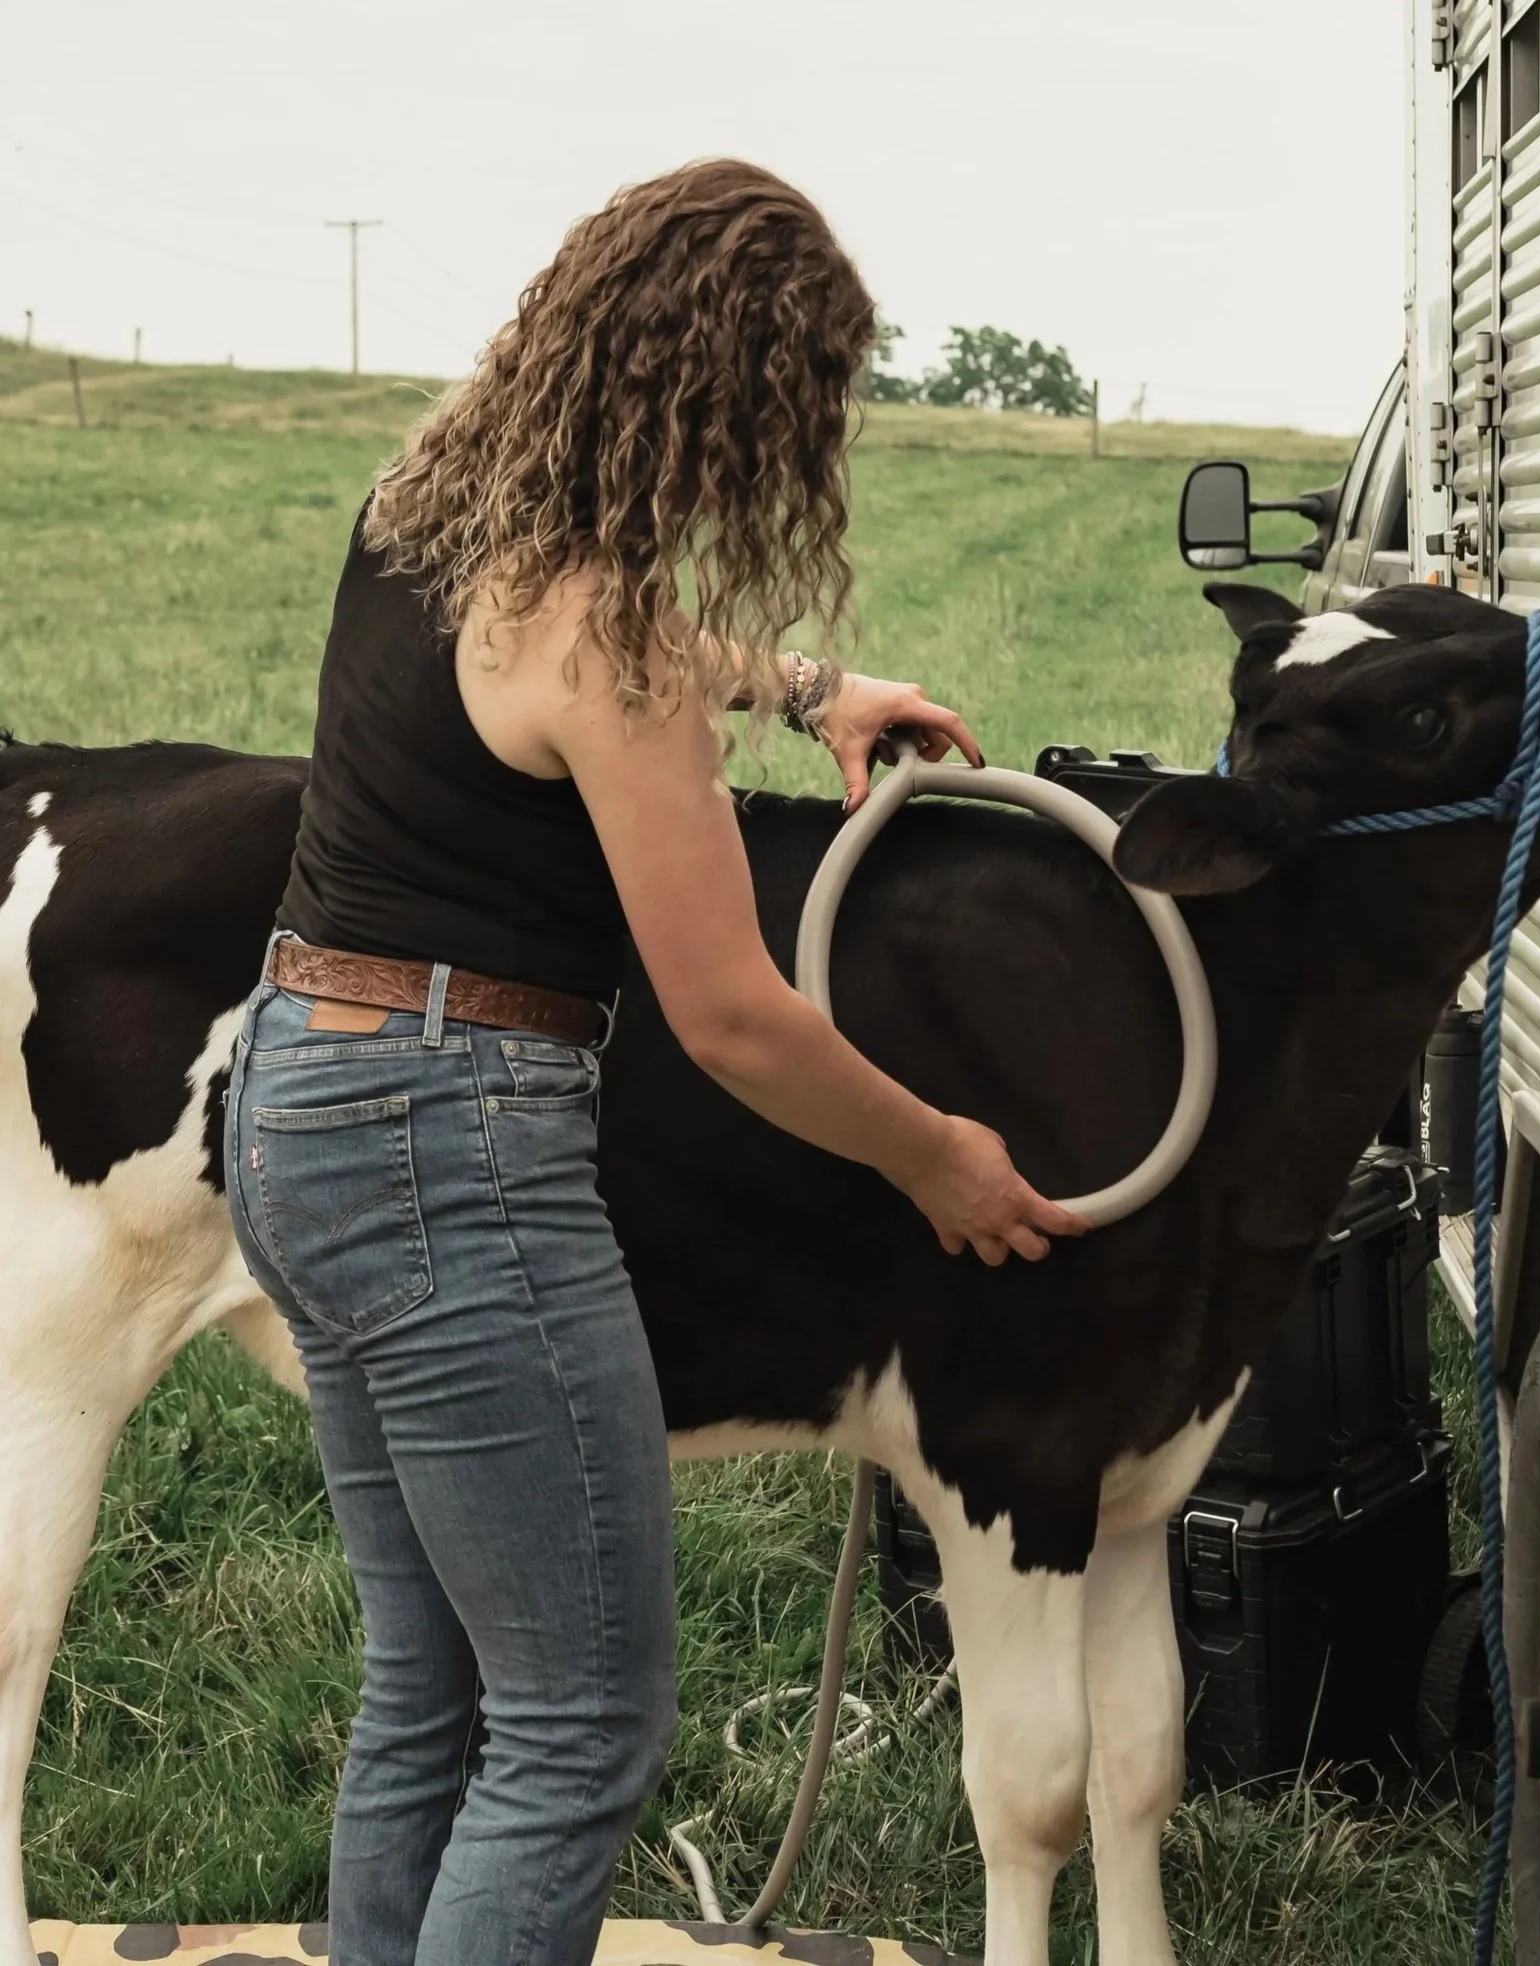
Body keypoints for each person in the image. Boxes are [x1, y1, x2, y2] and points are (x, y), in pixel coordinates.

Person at [222, 158, 1085, 1966]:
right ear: (731, 404)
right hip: (450, 1149)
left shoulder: (429, 510)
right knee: (572, 1730)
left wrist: (804, 687)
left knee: (430, 1692)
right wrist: (937, 1152)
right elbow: (731, 1014)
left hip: (299, 1101)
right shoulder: (606, 635)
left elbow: (577, 652)